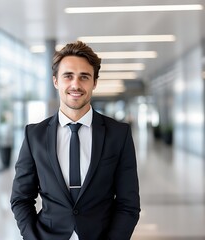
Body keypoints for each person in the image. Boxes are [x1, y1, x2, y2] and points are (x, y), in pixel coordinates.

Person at [10, 41, 140, 240]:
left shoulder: (118, 134)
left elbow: (128, 203)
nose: (75, 85)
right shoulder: (34, 135)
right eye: (68, 76)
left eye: (84, 77)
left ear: (94, 82)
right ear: (56, 81)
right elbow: (21, 199)